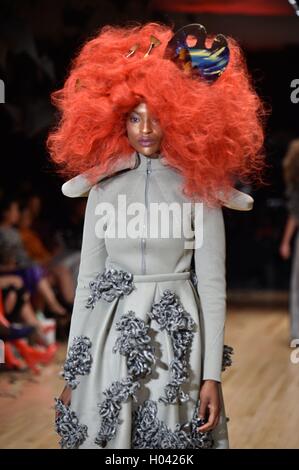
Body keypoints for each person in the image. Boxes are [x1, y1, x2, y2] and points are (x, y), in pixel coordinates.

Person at [48, 22, 265, 449]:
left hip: (176, 344)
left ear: (181, 118)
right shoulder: (103, 189)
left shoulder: (199, 187)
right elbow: (89, 283)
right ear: (116, 120)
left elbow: (213, 287)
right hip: (110, 338)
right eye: (134, 117)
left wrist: (211, 377)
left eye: (157, 116)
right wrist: (74, 374)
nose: (145, 128)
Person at [280, 138, 299, 340]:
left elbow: (293, 216)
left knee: (297, 287)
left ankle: (296, 333)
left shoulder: (294, 184)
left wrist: (286, 242)